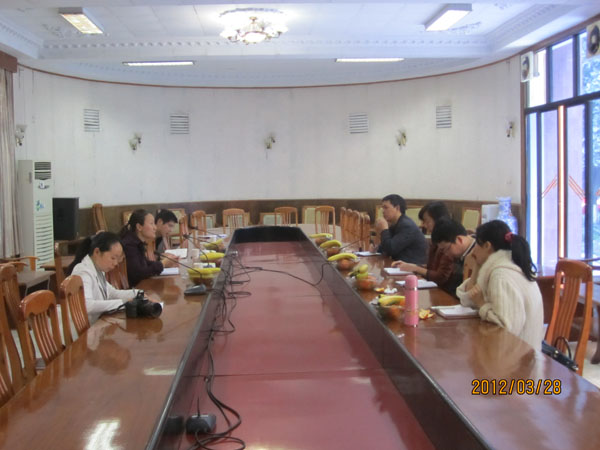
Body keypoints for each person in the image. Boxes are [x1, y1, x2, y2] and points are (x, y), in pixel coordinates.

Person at [456, 220, 544, 349]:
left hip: (519, 356)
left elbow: (506, 329)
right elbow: (467, 299)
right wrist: (477, 266)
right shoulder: (502, 266)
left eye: (477, 245)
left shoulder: (501, 275)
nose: (473, 251)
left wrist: (481, 304)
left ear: (487, 246)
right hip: (518, 352)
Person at [69, 231, 138, 323]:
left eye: (117, 259)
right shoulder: (84, 272)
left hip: (96, 324)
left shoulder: (99, 270)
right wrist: (124, 303)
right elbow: (87, 305)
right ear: (97, 252)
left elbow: (112, 293)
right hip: (87, 329)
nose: (116, 263)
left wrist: (138, 294)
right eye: (113, 258)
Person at [392, 202, 459, 294]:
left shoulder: (448, 242)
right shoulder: (435, 240)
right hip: (434, 291)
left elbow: (441, 277)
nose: (423, 225)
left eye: (427, 221)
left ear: (439, 220)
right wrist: (411, 266)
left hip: (445, 293)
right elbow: (431, 268)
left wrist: (416, 268)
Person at [120, 209, 174, 286]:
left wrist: (165, 262)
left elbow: (145, 263)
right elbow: (139, 273)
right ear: (139, 227)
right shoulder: (129, 245)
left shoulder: (136, 242)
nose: (155, 228)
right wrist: (162, 264)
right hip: (135, 289)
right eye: (151, 224)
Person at [374, 194, 426, 263]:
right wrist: (376, 248)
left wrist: (384, 230)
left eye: (386, 208)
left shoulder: (407, 226)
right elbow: (385, 247)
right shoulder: (395, 223)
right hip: (399, 264)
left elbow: (391, 249)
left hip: (412, 267)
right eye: (382, 208)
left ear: (397, 208)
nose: (383, 211)